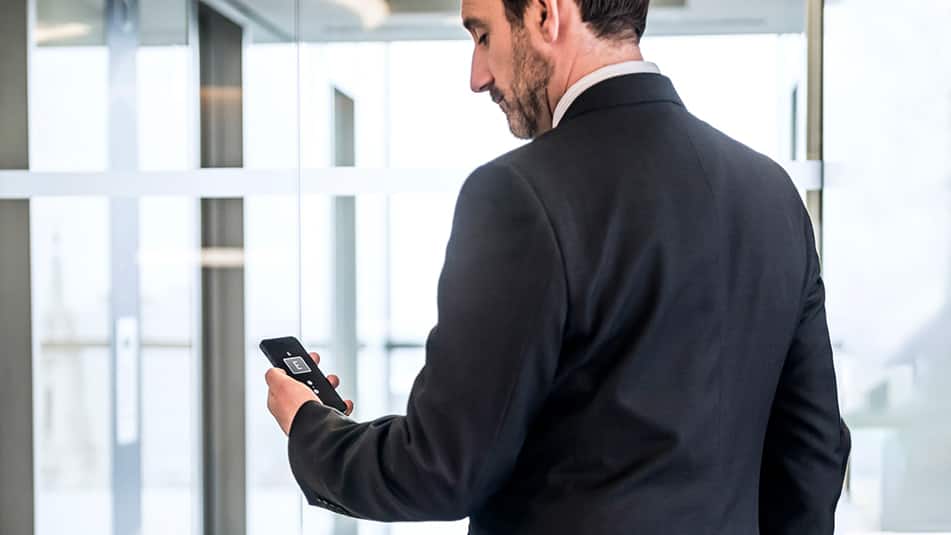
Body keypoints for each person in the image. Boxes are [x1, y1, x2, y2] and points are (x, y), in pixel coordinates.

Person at [265, 0, 852, 532]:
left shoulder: (518, 195)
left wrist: (311, 430)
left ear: (546, 15)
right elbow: (814, 450)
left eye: (482, 36)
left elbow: (440, 469)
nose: (477, 77)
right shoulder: (772, 194)